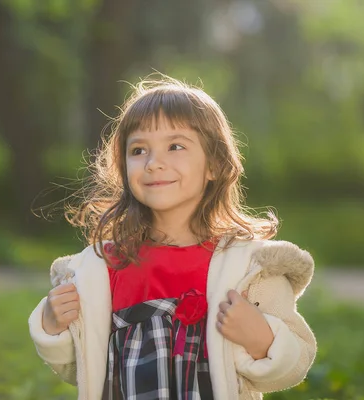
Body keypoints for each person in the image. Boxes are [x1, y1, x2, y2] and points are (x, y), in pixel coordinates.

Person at [28, 76, 317, 400]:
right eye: (139, 150)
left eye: (175, 146)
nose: (154, 163)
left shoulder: (248, 268)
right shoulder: (101, 268)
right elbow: (80, 366)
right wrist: (53, 327)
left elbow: (298, 360)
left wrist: (262, 338)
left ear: (215, 165)